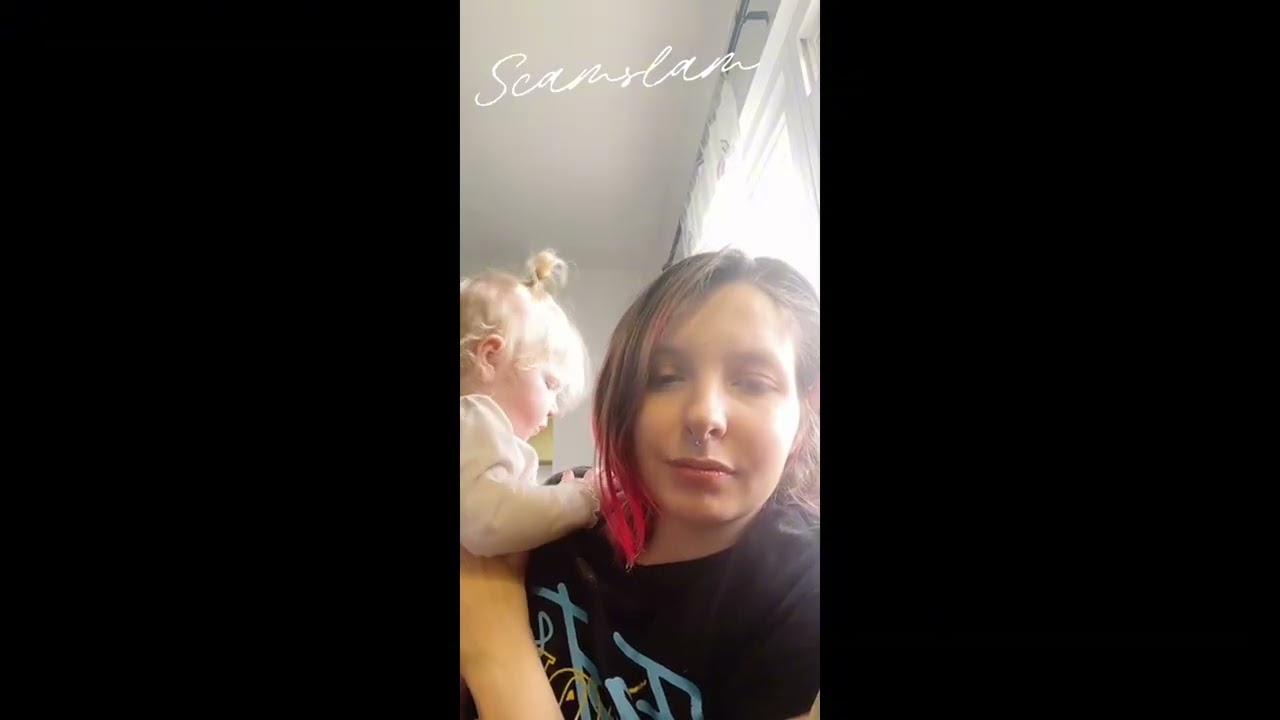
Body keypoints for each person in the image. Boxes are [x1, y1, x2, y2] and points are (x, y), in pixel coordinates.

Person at [460, 249, 821, 720]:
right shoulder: (558, 516)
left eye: (753, 383)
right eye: (666, 378)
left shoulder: (802, 596)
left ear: (803, 415)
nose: (704, 415)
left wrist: (494, 646)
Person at [459, 249, 600, 558]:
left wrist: (544, 501)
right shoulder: (473, 417)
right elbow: (489, 522)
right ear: (489, 358)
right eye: (550, 384)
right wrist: (580, 500)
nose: (554, 408)